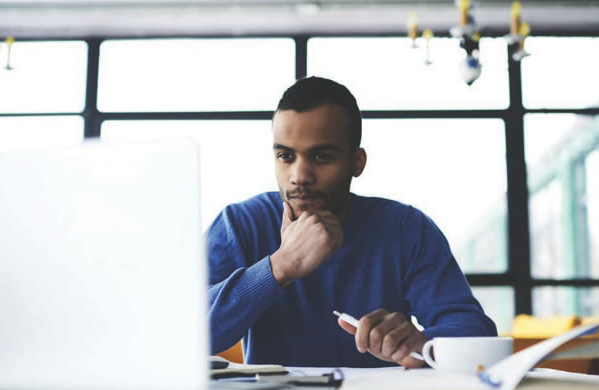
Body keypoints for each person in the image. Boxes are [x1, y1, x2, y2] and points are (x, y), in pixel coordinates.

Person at [207, 76, 496, 368]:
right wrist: (281, 265)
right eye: (285, 156)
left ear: (357, 162)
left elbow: (474, 331)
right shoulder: (239, 224)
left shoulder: (406, 228)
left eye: (321, 156)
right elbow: (181, 335)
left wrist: (425, 346)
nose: (299, 176)